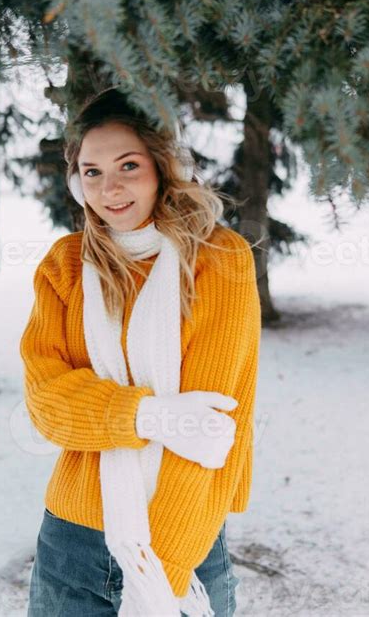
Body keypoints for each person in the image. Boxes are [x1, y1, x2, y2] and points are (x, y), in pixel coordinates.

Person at [20, 87, 262, 616]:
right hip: (72, 541)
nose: (110, 188)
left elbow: (214, 428)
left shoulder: (218, 260)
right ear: (75, 181)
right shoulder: (64, 266)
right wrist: (151, 414)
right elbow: (46, 405)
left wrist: (162, 577)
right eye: (92, 171)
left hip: (185, 536)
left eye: (128, 165)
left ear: (162, 167)